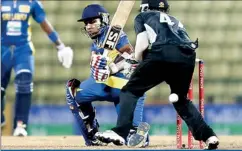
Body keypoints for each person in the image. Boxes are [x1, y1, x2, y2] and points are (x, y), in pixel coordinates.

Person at [95, 0, 219, 149]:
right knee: (181, 100)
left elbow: (142, 46)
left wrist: (135, 62)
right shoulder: (174, 20)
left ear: (145, 7)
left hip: (162, 53)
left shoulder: (143, 16)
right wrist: (119, 67)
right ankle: (209, 136)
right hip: (187, 55)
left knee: (130, 91)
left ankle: (120, 132)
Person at [65, 4, 149, 146]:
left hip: (124, 88)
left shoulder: (116, 35)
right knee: (72, 91)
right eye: (86, 23)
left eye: (92, 22)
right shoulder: (96, 42)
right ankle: (92, 135)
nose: (88, 26)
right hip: (105, 86)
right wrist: (97, 69)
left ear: (103, 20)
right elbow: (97, 70)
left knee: (132, 140)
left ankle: (137, 132)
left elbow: (132, 57)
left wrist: (113, 67)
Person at [1, 0, 73, 136]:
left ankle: (20, 125)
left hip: (23, 49)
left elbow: (44, 23)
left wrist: (60, 46)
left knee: (24, 81)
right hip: (2, 49)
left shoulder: (32, 3)